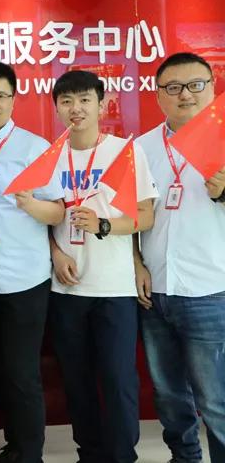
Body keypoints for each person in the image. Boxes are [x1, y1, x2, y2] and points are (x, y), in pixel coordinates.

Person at [0, 62, 65, 463]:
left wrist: (32, 205)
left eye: (1, 96)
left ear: (13, 100)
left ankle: (29, 453)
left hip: (23, 278)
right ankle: (13, 445)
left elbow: (58, 211)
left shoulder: (34, 149)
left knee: (22, 373)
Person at [49, 70, 158, 463]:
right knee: (76, 381)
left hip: (114, 287)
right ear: (57, 108)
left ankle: (122, 455)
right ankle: (90, 454)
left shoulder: (124, 152)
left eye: (84, 100)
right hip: (66, 288)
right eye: (66, 101)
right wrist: (55, 253)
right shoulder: (51, 156)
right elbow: (41, 220)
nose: (75, 108)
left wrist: (104, 225)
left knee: (118, 379)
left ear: (102, 104)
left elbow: (145, 216)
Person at [134, 52, 225, 463]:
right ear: (158, 95)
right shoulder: (141, 148)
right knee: (169, 395)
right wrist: (135, 264)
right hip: (156, 290)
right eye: (173, 87)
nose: (185, 94)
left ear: (211, 88)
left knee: (216, 399)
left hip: (210, 290)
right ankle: (184, 457)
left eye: (195, 85)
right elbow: (130, 214)